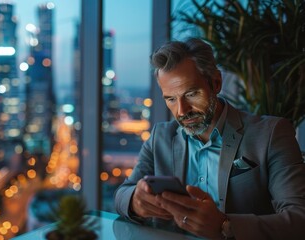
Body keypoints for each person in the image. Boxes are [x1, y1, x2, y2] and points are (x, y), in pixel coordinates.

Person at [114, 38, 305, 239]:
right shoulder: (160, 137)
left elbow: (299, 219)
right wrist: (135, 200)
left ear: (216, 83)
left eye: (191, 94)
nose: (182, 111)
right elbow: (122, 195)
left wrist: (224, 225)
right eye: (171, 99)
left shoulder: (271, 133)